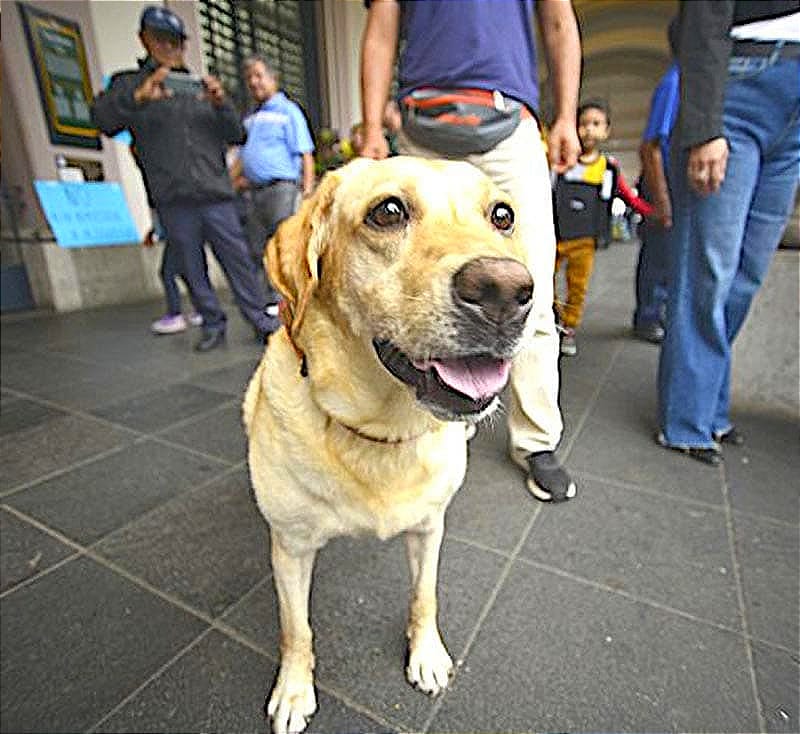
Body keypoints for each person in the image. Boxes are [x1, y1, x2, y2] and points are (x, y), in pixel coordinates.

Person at [360, 0, 582, 502]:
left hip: (509, 126)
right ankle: (436, 429)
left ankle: (536, 440)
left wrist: (566, 116)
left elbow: (558, 22)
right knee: (420, 294)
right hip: (422, 125)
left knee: (531, 290)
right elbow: (381, 31)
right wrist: (372, 127)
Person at [657, 0, 800, 465]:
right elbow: (703, 14)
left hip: (794, 113)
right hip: (745, 79)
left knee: (748, 273)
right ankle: (687, 418)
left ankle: (711, 407)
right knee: (709, 268)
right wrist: (703, 127)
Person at [92, 6, 278, 352]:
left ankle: (260, 320)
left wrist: (221, 103)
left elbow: (237, 135)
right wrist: (139, 97)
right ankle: (212, 324)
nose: (169, 48)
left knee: (239, 262)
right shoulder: (130, 85)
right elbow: (103, 120)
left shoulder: (200, 88)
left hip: (216, 193)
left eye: (175, 42)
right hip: (172, 196)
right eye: (160, 40)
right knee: (192, 267)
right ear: (144, 40)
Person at [553, 100, 653, 356]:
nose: (589, 129)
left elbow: (627, 196)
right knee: (545, 282)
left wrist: (651, 212)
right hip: (556, 236)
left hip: (585, 240)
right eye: (583, 123)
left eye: (596, 124)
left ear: (606, 130)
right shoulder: (562, 161)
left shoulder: (608, 167)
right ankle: (552, 318)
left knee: (578, 286)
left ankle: (569, 327)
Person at [233, 55, 316, 315]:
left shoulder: (288, 111)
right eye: (249, 78)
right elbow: (242, 155)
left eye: (259, 75)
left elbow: (305, 153)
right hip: (253, 192)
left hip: (282, 189)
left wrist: (307, 192)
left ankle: (290, 299)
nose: (254, 82)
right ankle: (270, 300)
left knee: (284, 245)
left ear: (273, 78)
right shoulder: (250, 117)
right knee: (257, 248)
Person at [632, 20, 680, 345]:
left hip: (672, 187)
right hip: (663, 187)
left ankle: (658, 313)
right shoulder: (675, 83)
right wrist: (662, 201)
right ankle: (648, 316)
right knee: (658, 257)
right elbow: (651, 146)